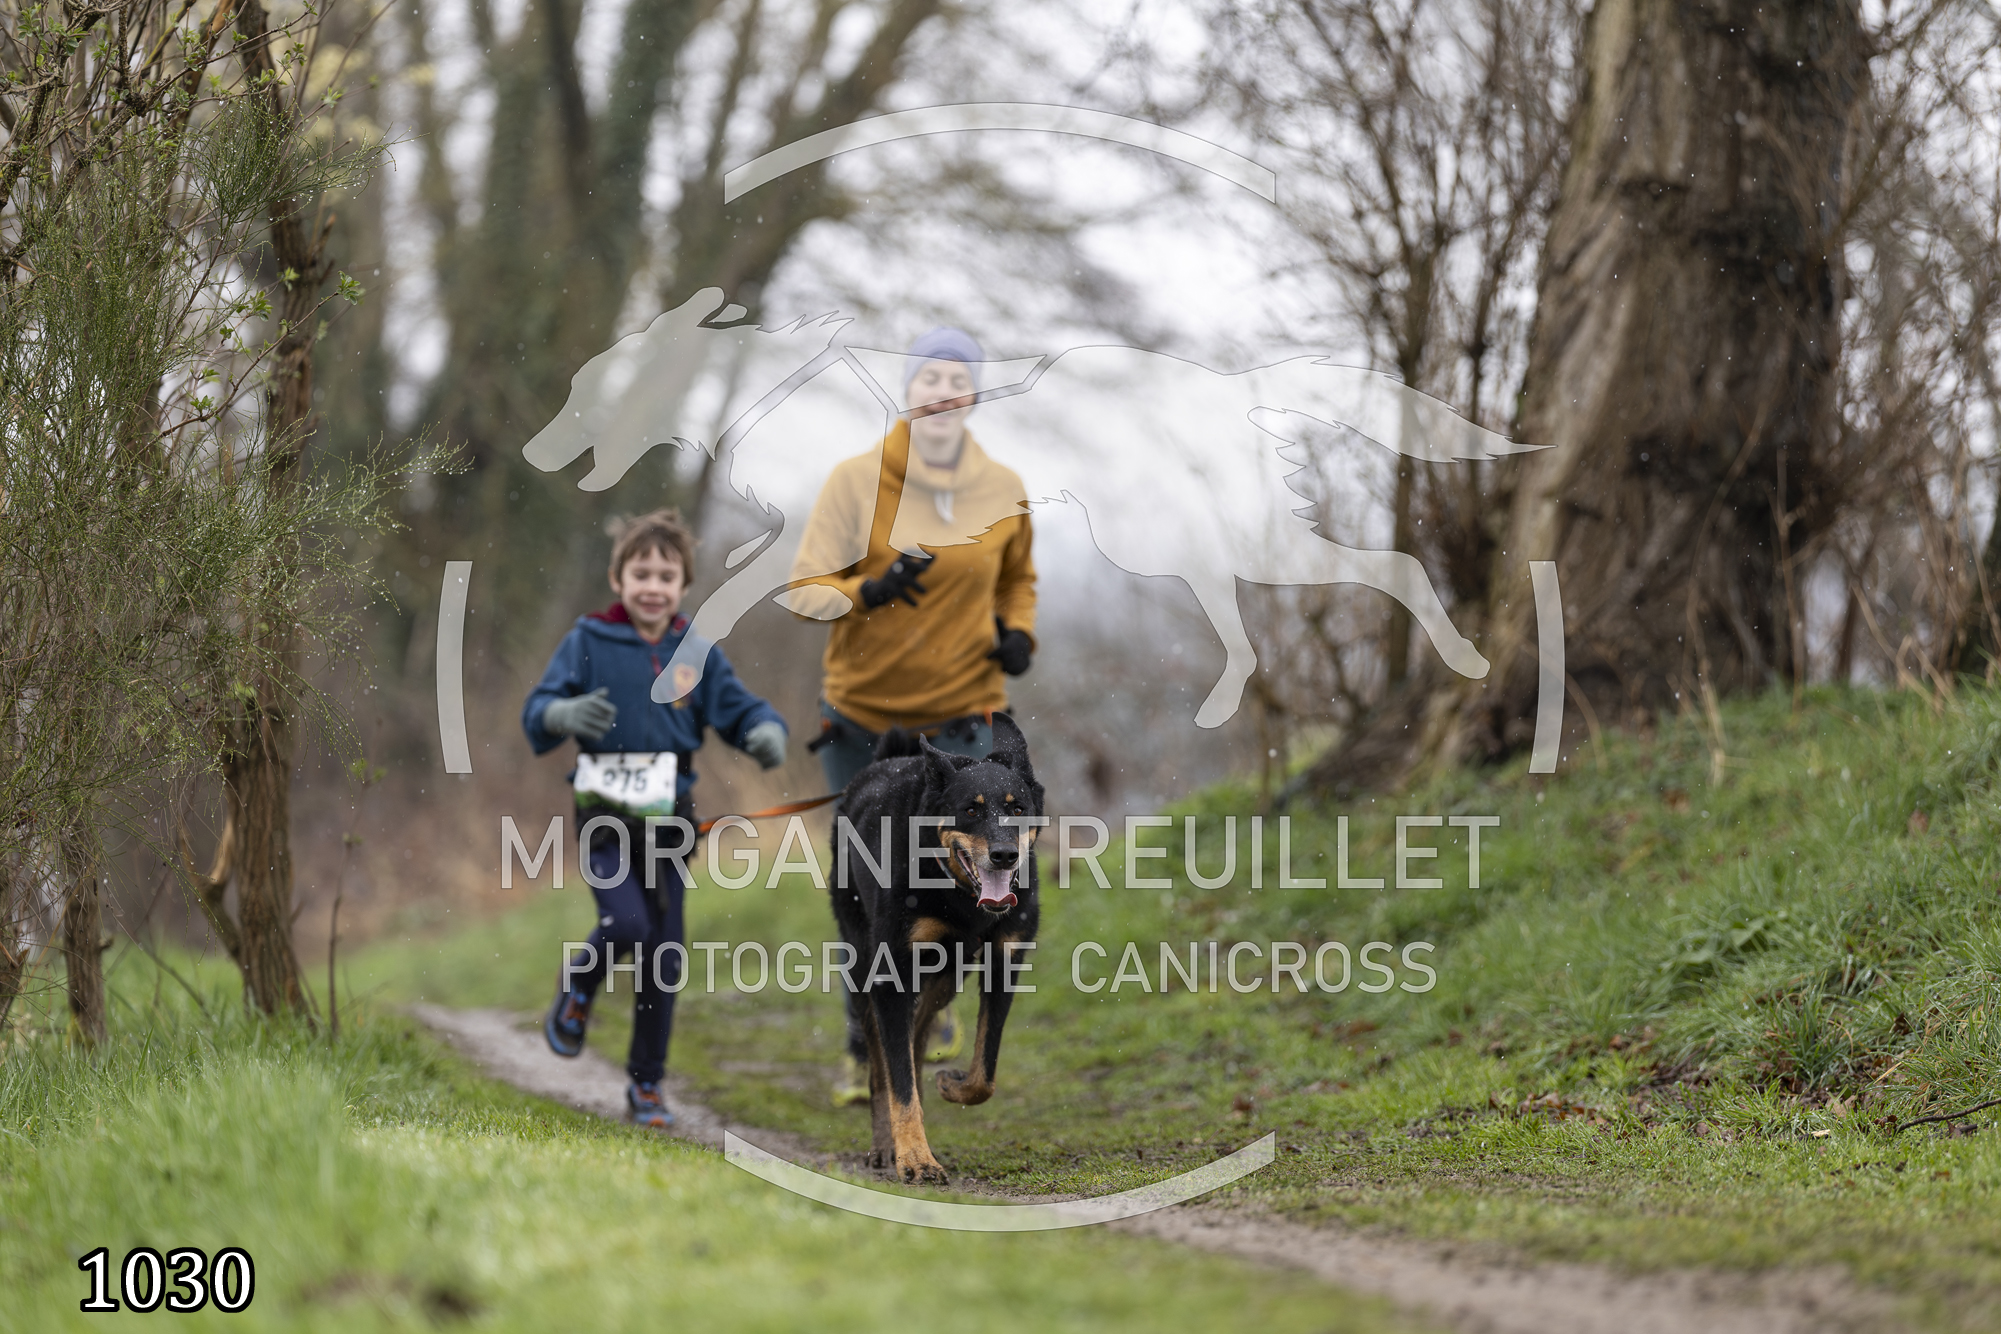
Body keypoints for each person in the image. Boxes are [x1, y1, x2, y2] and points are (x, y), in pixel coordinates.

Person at [786, 327, 1038, 1106]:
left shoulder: (1002, 487)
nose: (941, 391)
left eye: (957, 379)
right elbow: (804, 593)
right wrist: (869, 590)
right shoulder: (855, 482)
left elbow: (1017, 581)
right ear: (907, 390)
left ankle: (937, 1002)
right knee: (868, 890)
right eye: (928, 377)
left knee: (971, 872)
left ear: (974, 395)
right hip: (861, 720)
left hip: (962, 717)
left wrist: (1018, 632)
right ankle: (861, 1044)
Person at [524, 509, 788, 1129]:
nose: (652, 587)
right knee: (626, 923)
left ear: (683, 585)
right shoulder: (588, 640)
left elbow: (738, 709)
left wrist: (764, 730)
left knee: (662, 958)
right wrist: (562, 716)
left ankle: (647, 1084)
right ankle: (579, 985)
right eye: (640, 574)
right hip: (605, 818)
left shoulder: (696, 650)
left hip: (671, 824)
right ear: (617, 579)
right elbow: (538, 709)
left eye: (666, 577)